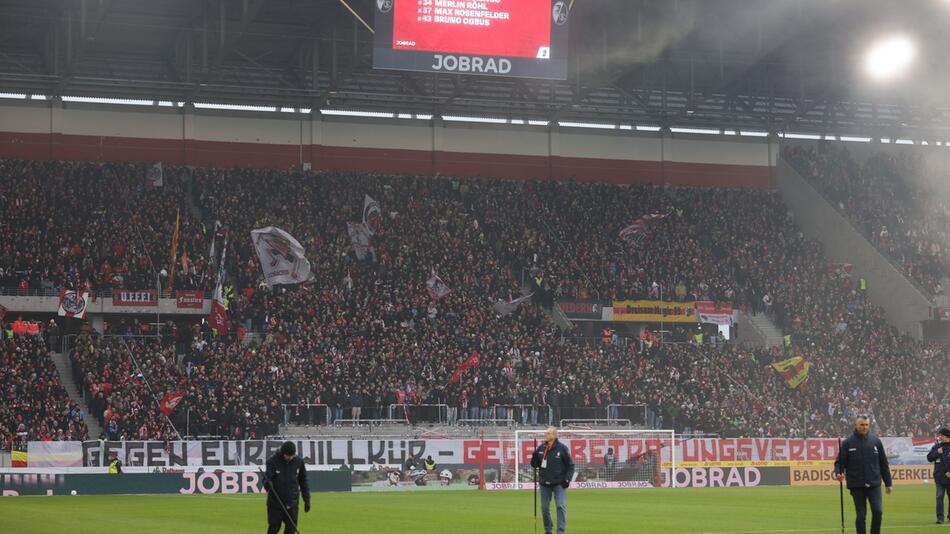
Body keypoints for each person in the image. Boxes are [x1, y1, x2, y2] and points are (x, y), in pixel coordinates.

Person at [834, 416, 893, 534]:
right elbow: (840, 462)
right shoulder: (847, 443)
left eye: (866, 425)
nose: (864, 427)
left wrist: (888, 483)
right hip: (856, 484)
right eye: (861, 425)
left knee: (878, 511)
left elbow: (883, 463)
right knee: (861, 515)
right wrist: (838, 473)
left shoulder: (876, 441)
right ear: (856, 425)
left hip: (874, 483)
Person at [531, 427, 574, 534]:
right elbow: (534, 464)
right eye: (546, 433)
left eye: (548, 433)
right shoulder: (541, 448)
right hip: (544, 483)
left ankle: (560, 531)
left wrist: (567, 479)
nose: (546, 434)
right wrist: (534, 456)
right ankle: (548, 529)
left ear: (554, 435)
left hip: (559, 483)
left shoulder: (562, 448)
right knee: (545, 508)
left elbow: (571, 465)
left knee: (560, 506)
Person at [264, 441, 311, 534]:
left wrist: (307, 500)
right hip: (275, 503)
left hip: (292, 503)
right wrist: (267, 483)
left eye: (291, 456)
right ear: (282, 453)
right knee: (274, 528)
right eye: (287, 455)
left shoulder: (299, 462)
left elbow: (303, 482)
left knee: (291, 529)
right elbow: (267, 479)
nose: (289, 458)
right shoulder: (272, 461)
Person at [926, 428, 950, 524]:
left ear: (948, 437)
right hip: (939, 478)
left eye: (942, 435)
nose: (940, 437)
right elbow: (929, 458)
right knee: (939, 497)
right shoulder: (937, 447)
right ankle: (940, 518)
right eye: (940, 435)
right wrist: (937, 452)